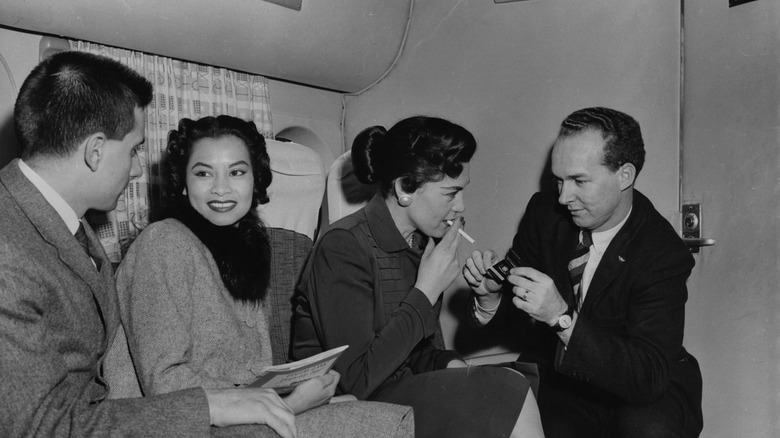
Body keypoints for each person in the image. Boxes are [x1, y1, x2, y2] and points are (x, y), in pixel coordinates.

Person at [0, 50, 348, 438]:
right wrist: (279, 404)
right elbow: (44, 424)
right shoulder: (11, 248)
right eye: (134, 149)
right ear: (95, 151)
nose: (137, 168)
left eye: (237, 172)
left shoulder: (74, 231)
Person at [104, 115, 413, 438]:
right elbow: (165, 385)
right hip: (168, 429)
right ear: (183, 182)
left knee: (375, 416)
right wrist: (291, 404)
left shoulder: (244, 252)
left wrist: (305, 395)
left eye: (237, 172)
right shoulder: (164, 242)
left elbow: (244, 378)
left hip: (233, 422)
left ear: (256, 181)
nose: (221, 188)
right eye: (203, 173)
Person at [291, 116, 544, 438]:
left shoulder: (421, 245)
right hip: (344, 404)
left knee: (513, 379)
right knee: (506, 390)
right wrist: (426, 290)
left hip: (394, 391)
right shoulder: (343, 246)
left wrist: (452, 365)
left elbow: (413, 352)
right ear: (404, 188)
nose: (461, 206)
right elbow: (357, 378)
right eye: (450, 194)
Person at [463, 107, 704, 438]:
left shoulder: (662, 253)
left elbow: (646, 376)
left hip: (642, 386)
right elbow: (517, 307)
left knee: (648, 430)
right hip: (566, 379)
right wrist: (489, 296)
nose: (564, 197)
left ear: (625, 176)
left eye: (579, 181)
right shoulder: (544, 213)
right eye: (559, 180)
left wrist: (560, 316)